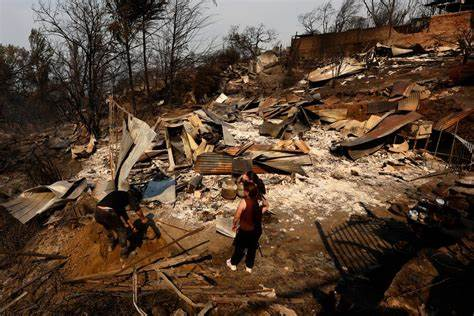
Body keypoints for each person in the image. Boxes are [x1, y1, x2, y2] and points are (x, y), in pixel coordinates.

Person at [95, 188, 160, 258]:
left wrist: (132, 226)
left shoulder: (120, 197)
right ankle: (124, 255)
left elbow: (123, 214)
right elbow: (137, 210)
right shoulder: (130, 196)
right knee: (122, 231)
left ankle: (110, 246)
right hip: (107, 212)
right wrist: (143, 219)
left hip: (97, 212)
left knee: (109, 228)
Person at [227, 182, 268, 273]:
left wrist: (234, 225)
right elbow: (266, 207)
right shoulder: (257, 200)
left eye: (245, 190)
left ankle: (233, 264)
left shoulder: (244, 201)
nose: (244, 191)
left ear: (247, 192)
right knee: (252, 249)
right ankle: (249, 267)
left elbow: (237, 216)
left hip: (246, 230)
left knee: (240, 248)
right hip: (256, 230)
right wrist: (264, 205)